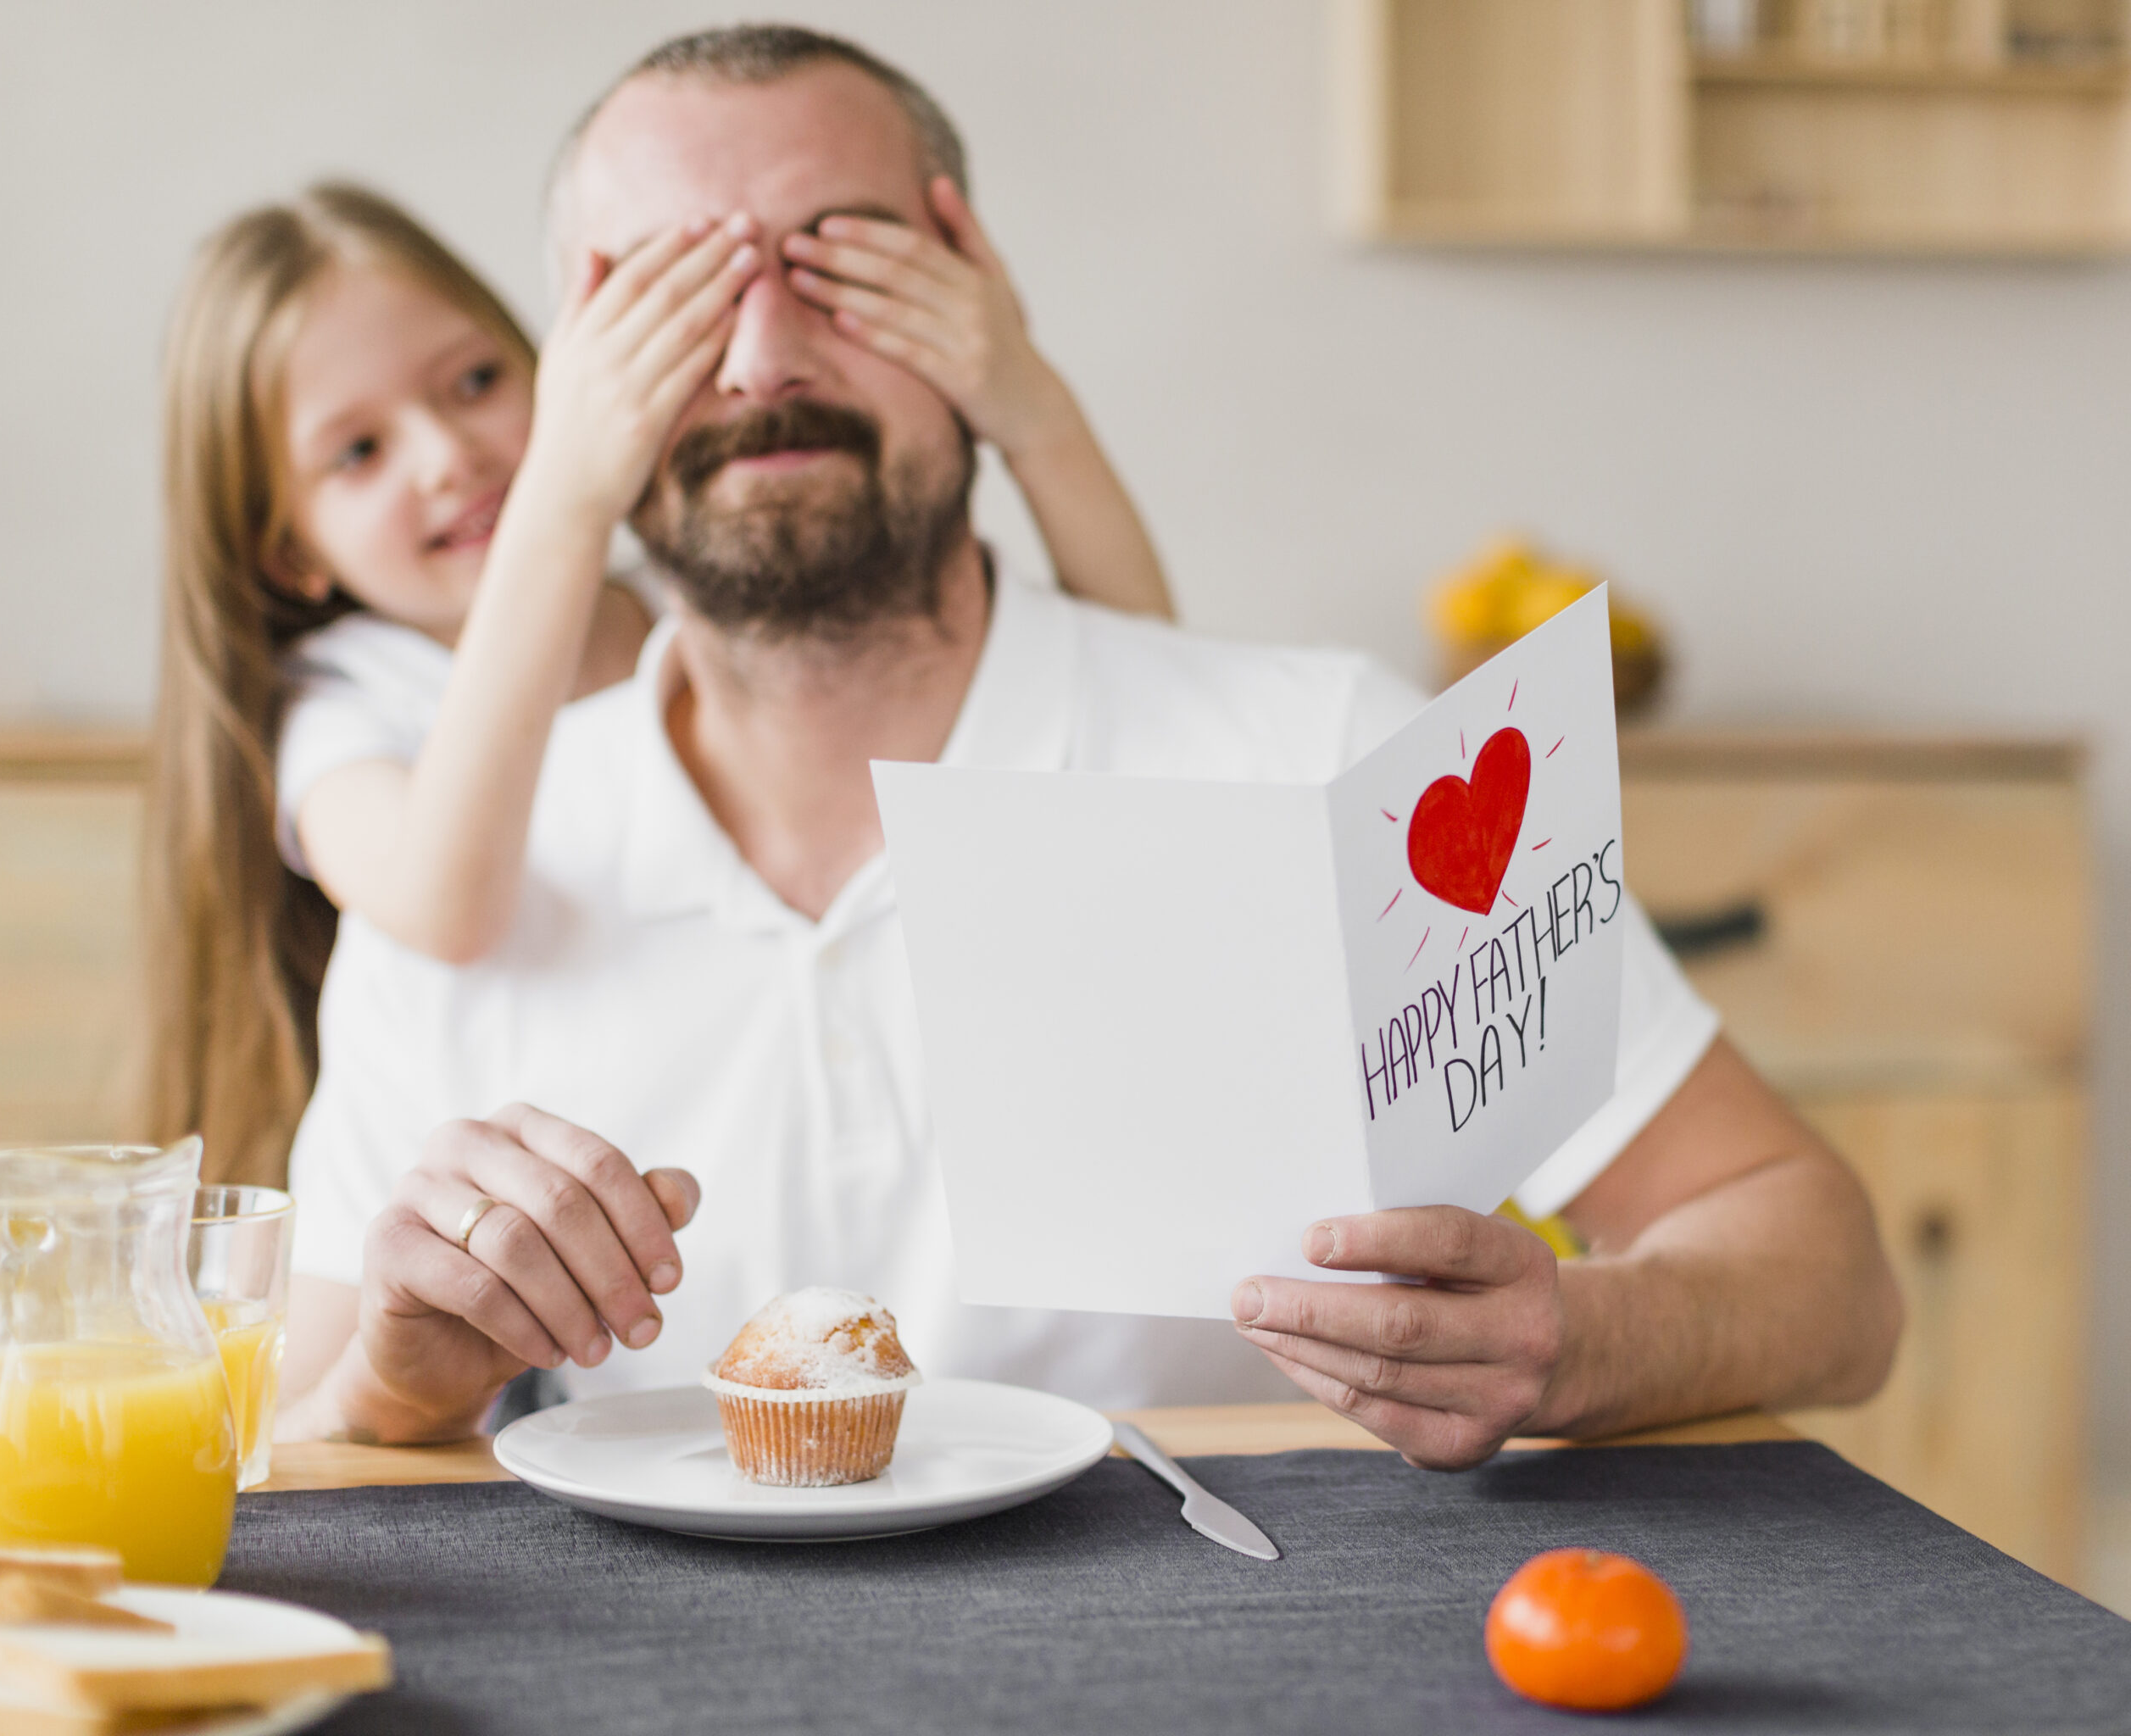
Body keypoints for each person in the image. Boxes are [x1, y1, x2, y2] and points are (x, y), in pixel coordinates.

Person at [277, 25, 1901, 1466]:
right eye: (681, 294)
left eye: (838, 266)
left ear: (974, 295)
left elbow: (1831, 1278)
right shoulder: (471, 863)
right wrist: (397, 1388)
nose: (763, 359)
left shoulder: (1322, 750)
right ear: (583, 373)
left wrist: (1580, 1338)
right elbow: (298, 1429)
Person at [141, 173, 1169, 1188]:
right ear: (289, 554)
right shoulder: (345, 701)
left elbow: (1145, 680)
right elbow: (443, 905)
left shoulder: (681, 602)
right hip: (523, 1234)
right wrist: (565, 499)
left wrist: (1033, 414)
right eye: (359, 451)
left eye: (473, 383)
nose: (447, 454)